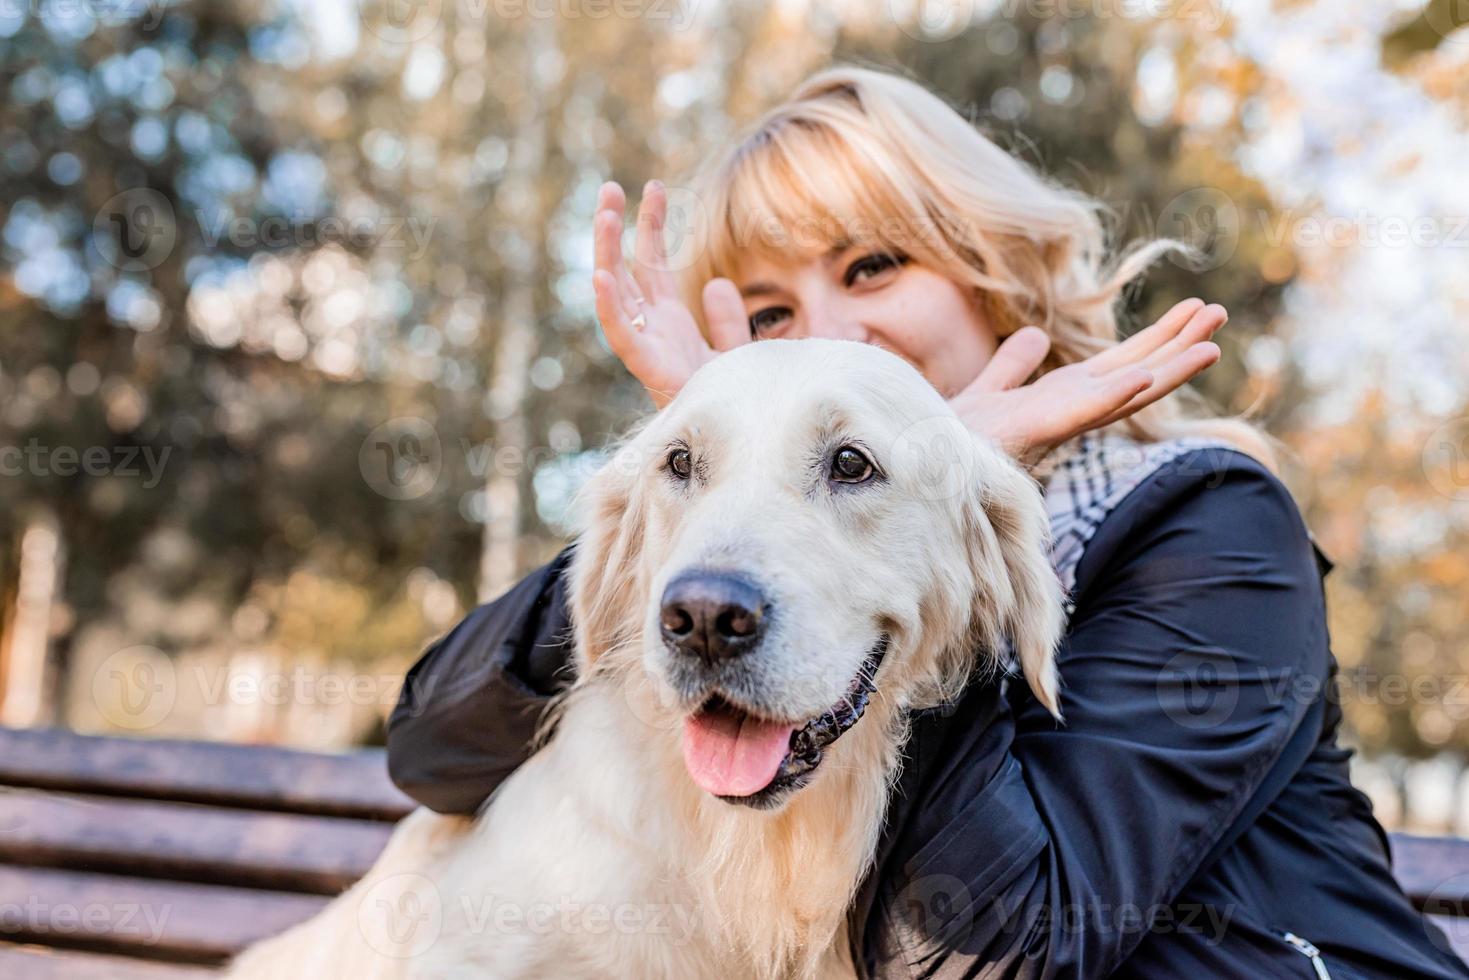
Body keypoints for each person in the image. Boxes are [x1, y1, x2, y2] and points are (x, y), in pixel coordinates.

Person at [386, 65, 1468, 979]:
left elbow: (992, 949)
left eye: (871, 264)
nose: (828, 331)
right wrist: (698, 481)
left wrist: (938, 473)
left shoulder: (1210, 519)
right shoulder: (751, 565)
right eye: (769, 314)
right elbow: (432, 749)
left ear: (988, 261)